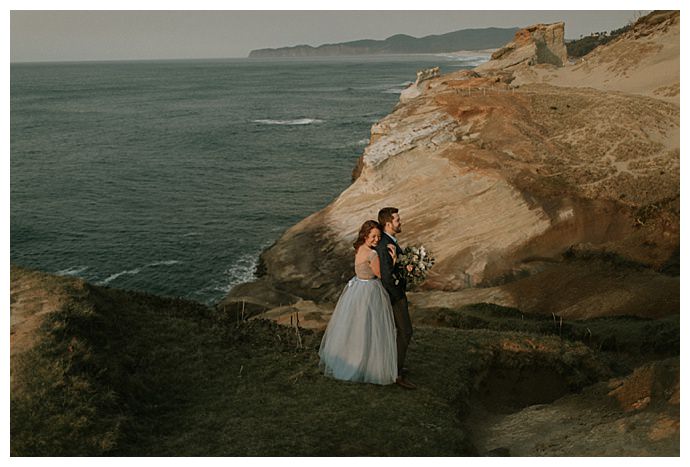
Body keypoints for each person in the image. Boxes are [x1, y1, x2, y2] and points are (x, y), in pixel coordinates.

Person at [318, 220, 398, 385]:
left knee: (355, 326)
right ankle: (367, 363)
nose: (376, 239)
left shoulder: (359, 248)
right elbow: (382, 275)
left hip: (356, 288)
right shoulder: (372, 254)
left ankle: (350, 357)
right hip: (369, 290)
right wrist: (394, 260)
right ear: (365, 235)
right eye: (373, 236)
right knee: (371, 327)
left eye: (378, 236)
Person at [375, 207, 417, 389]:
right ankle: (396, 373)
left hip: (395, 294)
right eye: (398, 220)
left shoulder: (389, 240)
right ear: (388, 223)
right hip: (393, 296)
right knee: (405, 332)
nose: (401, 222)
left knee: (396, 333)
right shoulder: (384, 244)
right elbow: (386, 276)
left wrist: (408, 268)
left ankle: (393, 367)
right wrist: (397, 297)